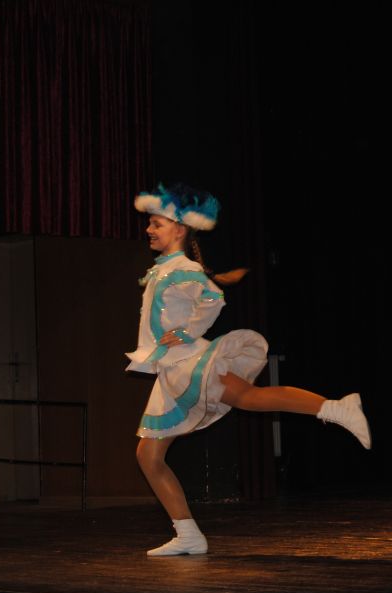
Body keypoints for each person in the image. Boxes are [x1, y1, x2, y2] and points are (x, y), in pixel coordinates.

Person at [127, 183, 371, 556]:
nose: (149, 229)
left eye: (156, 224)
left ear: (179, 229)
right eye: (150, 223)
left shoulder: (183, 269)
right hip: (171, 370)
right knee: (148, 455)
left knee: (250, 398)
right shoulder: (167, 269)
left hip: (189, 363)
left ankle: (337, 408)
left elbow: (213, 297)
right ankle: (188, 534)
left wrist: (188, 331)